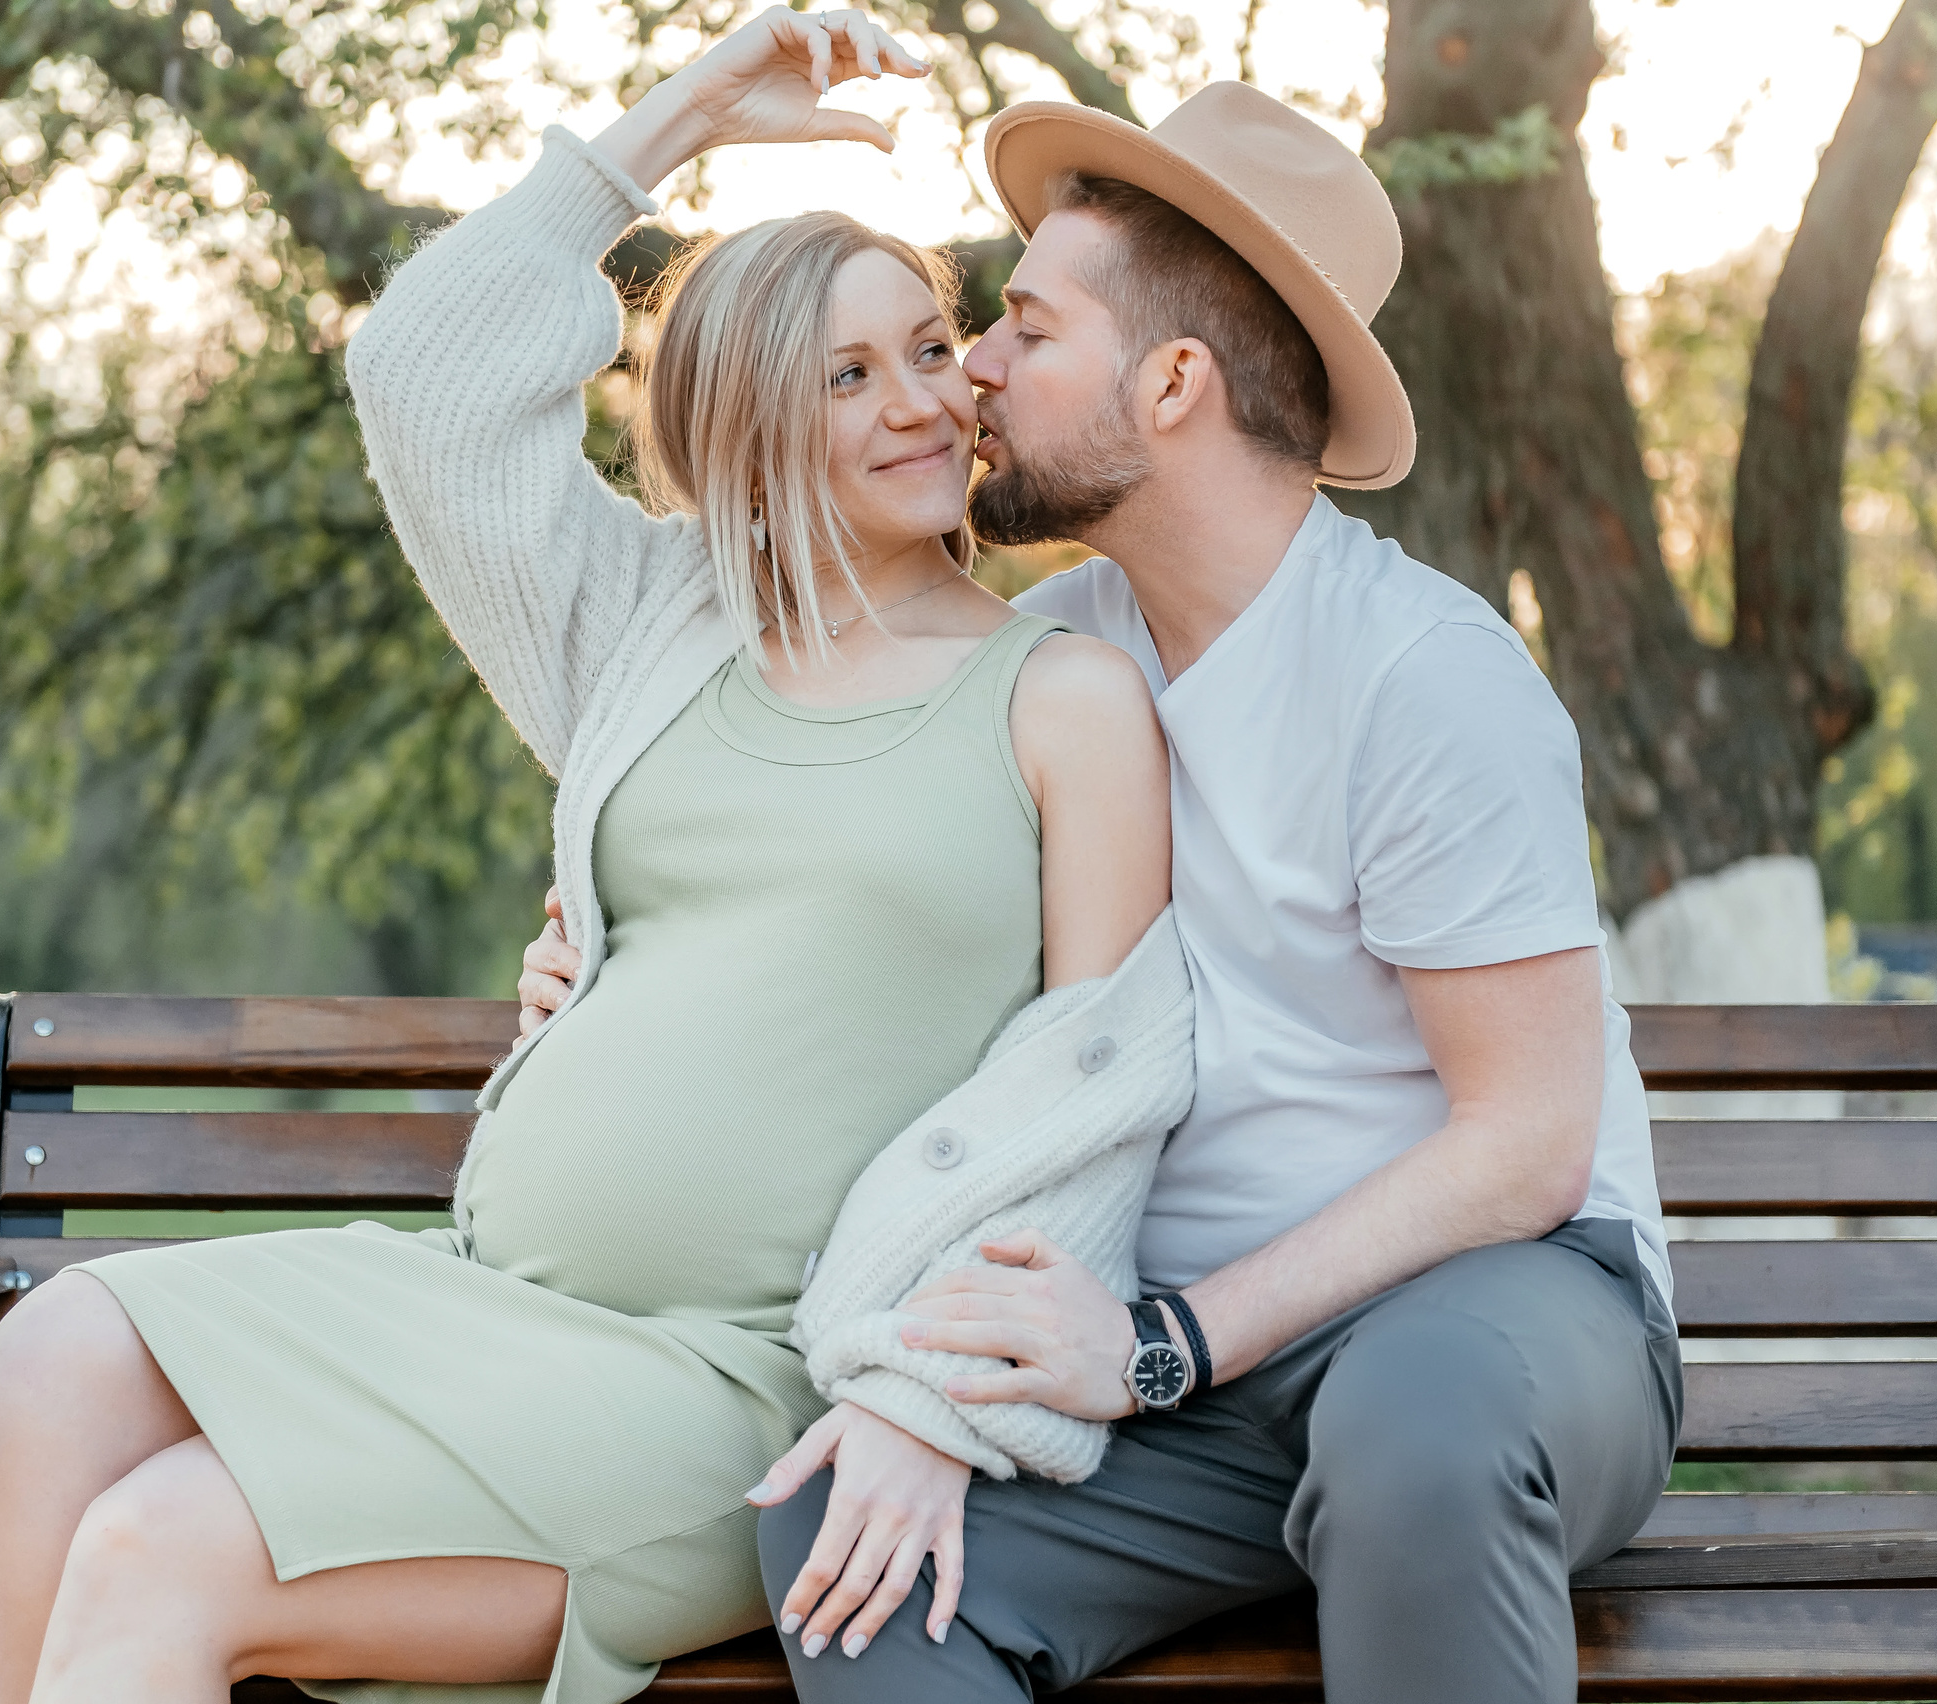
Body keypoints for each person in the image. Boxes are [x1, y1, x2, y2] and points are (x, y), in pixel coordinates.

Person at [0, 14, 1189, 1704]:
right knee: (50, 1361)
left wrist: (934, 1401)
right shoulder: (656, 625)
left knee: (162, 1549)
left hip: (748, 1380)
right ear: (749, 419)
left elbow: (1093, 1091)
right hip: (489, 1302)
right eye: (846, 374)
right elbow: (423, 378)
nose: (920, 401)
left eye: (929, 344)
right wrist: (673, 126)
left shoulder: (1062, 691)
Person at [516, 79, 1680, 1704]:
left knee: (1411, 1433)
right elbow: (869, 941)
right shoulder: (1057, 661)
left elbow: (1527, 1148)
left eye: (1025, 329)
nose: (969, 367)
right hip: (1157, 1369)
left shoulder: (1423, 679)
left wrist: (1171, 1341)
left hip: (1487, 1330)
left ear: (1175, 380)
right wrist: (616, 961)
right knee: (849, 1550)